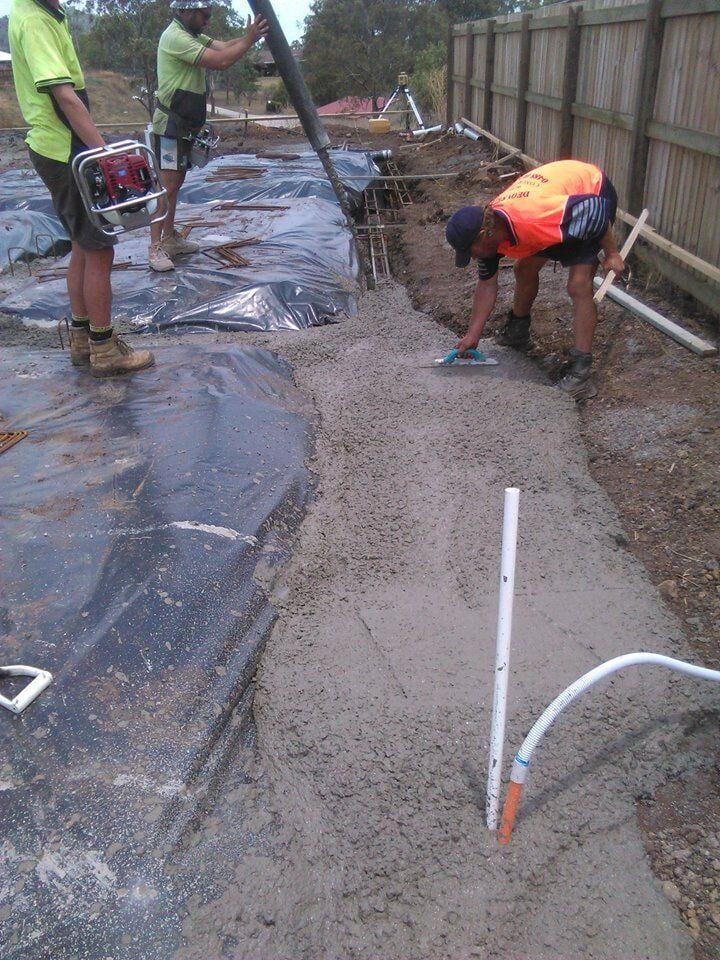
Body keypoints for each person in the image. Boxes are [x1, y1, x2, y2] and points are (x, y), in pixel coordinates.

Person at [8, 0, 154, 377]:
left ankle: (80, 338)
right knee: (100, 248)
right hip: (64, 149)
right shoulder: (36, 21)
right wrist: (103, 155)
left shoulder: (42, 13)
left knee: (81, 244)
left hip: (57, 147)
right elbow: (66, 98)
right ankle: (104, 350)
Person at [445, 159, 625, 400]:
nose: (473, 257)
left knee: (578, 285)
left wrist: (612, 254)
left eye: (471, 251)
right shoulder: (492, 230)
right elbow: (487, 284)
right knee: (524, 268)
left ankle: (581, 374)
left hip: (590, 192)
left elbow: (596, 212)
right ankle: (517, 331)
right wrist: (472, 336)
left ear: (483, 236)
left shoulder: (534, 220)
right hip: (556, 201)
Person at [148, 1, 269, 272]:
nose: (207, 20)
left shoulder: (191, 34)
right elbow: (221, 61)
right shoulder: (175, 37)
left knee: (175, 182)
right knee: (167, 186)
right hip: (170, 124)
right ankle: (155, 247)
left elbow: (223, 46)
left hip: (183, 122)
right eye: (204, 15)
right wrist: (249, 40)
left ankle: (170, 239)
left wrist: (249, 34)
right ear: (186, 11)